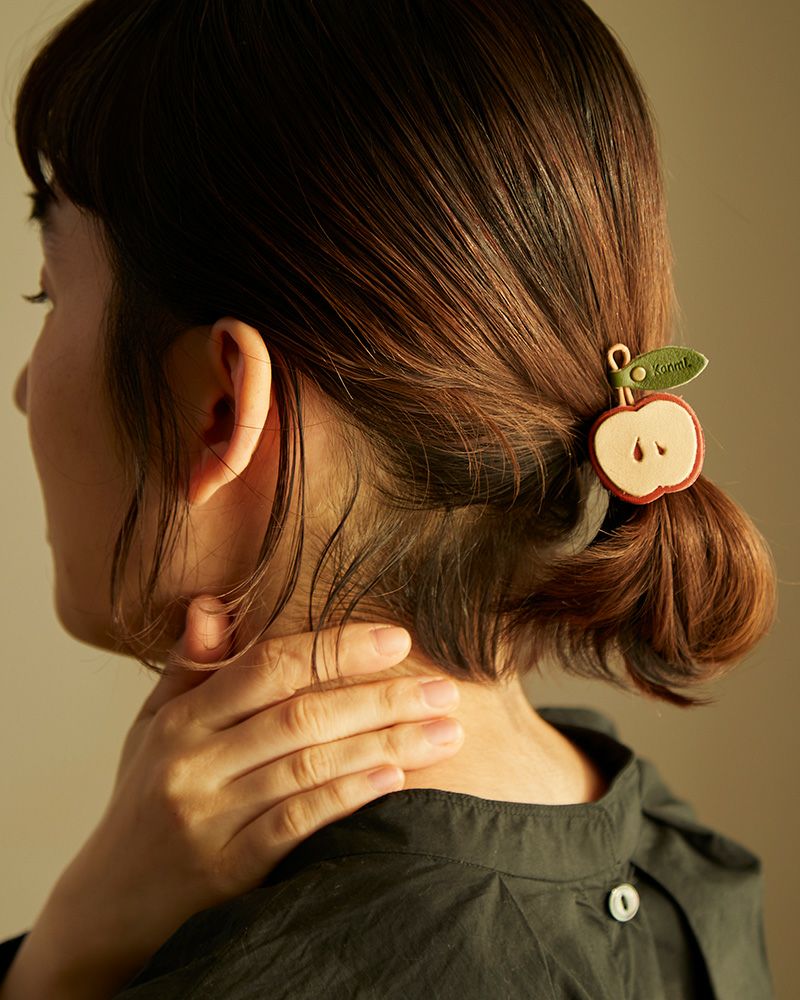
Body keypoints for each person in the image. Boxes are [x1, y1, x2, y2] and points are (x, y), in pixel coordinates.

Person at [0, 0, 778, 997]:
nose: (22, 388)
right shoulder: (686, 874)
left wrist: (64, 960)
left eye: (49, 291)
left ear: (219, 408)